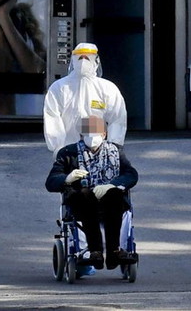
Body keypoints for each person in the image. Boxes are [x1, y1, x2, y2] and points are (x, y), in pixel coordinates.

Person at [46, 115, 139, 270]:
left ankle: (114, 252)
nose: (91, 137)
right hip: (82, 201)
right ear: (81, 135)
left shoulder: (115, 151)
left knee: (115, 196)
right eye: (87, 133)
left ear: (104, 134)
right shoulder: (68, 153)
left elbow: (131, 175)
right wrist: (67, 178)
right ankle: (95, 251)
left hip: (108, 200)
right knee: (84, 196)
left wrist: (112, 185)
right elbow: (51, 181)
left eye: (95, 133)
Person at [44, 43, 127, 152]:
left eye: (87, 57)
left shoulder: (107, 88)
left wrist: (113, 147)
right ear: (73, 59)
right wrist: (58, 147)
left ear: (96, 60)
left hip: (97, 151)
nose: (83, 61)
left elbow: (117, 119)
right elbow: (52, 117)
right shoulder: (59, 87)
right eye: (79, 57)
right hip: (68, 150)